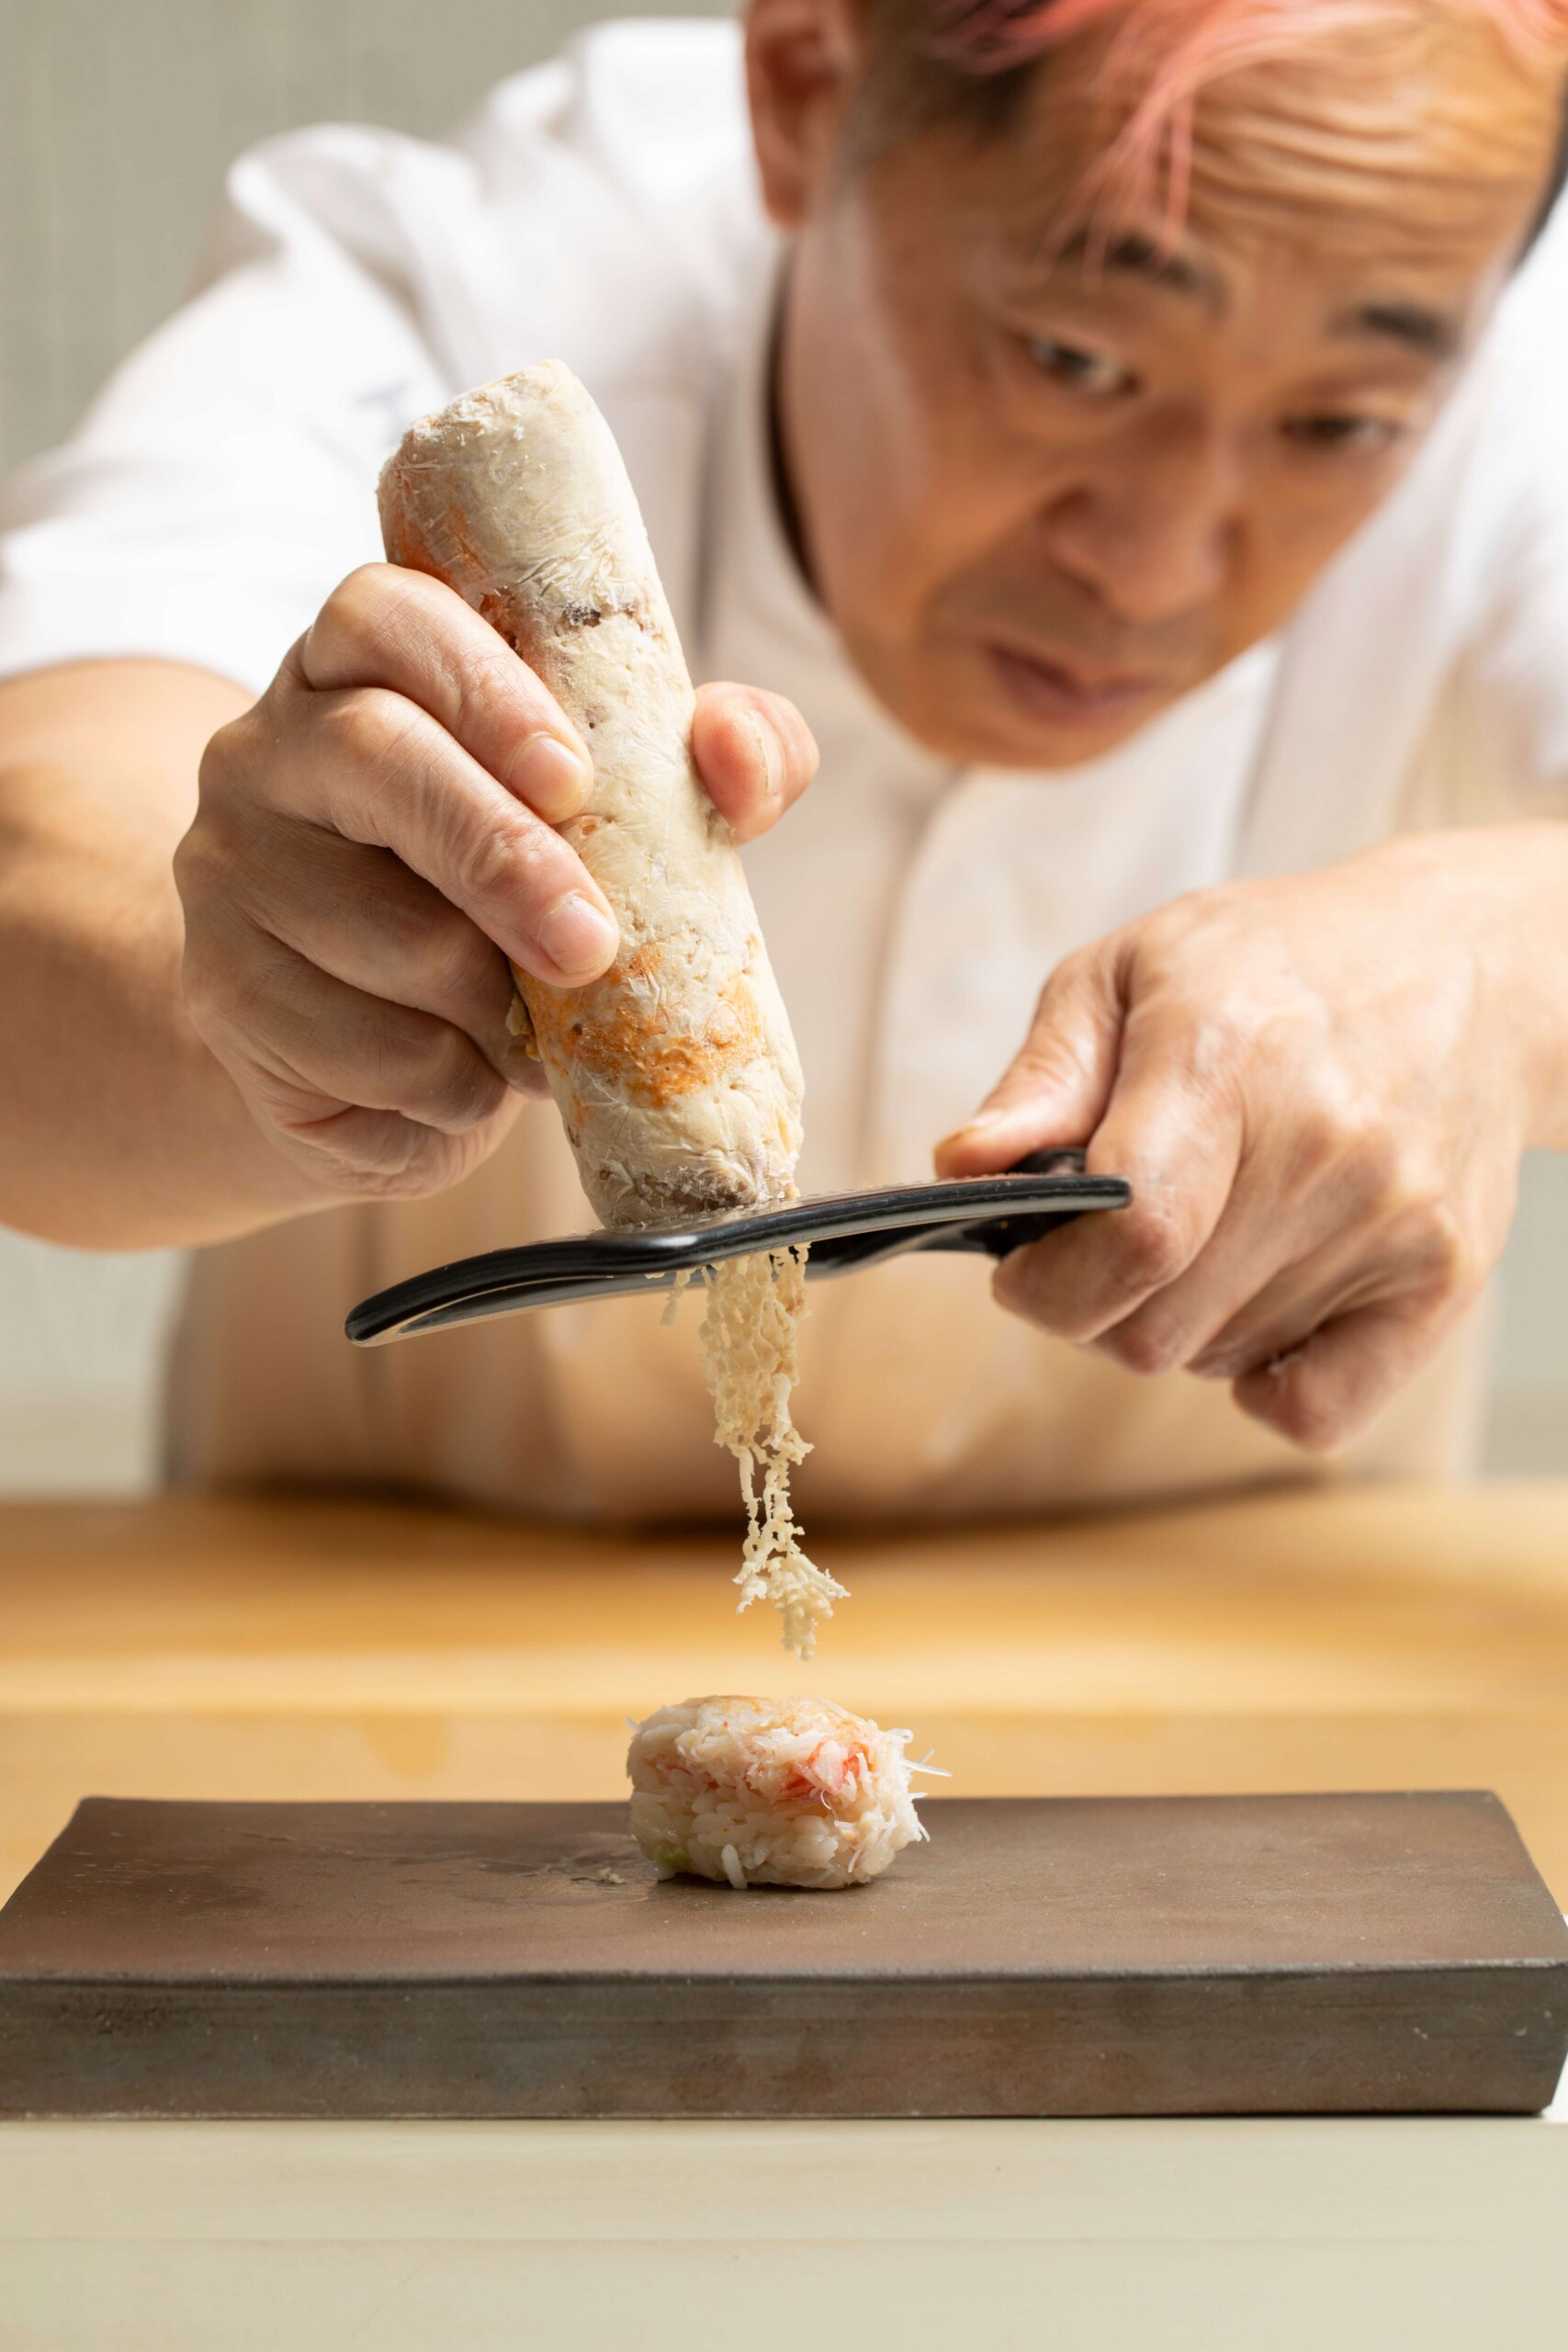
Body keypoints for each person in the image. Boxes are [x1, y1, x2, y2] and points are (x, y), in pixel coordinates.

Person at [2, 0, 1567, 1523]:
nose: (1153, 570)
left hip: (1265, 1672)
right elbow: (40, 864)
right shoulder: (442, 296)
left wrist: (1490, 962)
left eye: (1340, 425)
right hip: (375, 1666)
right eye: (1075, 357)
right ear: (803, 86)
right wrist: (250, 989)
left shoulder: (1496, 341)